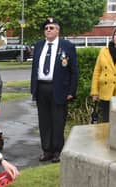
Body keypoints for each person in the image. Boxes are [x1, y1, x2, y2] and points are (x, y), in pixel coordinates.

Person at [30, 17, 79, 162]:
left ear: (58, 30)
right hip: (42, 87)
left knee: (58, 121)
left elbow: (73, 71)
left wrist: (71, 91)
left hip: (59, 89)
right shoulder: (39, 45)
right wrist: (34, 88)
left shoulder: (67, 46)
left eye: (51, 28)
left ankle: (58, 150)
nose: (48, 30)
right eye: (46, 28)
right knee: (44, 121)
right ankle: (47, 150)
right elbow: (35, 68)